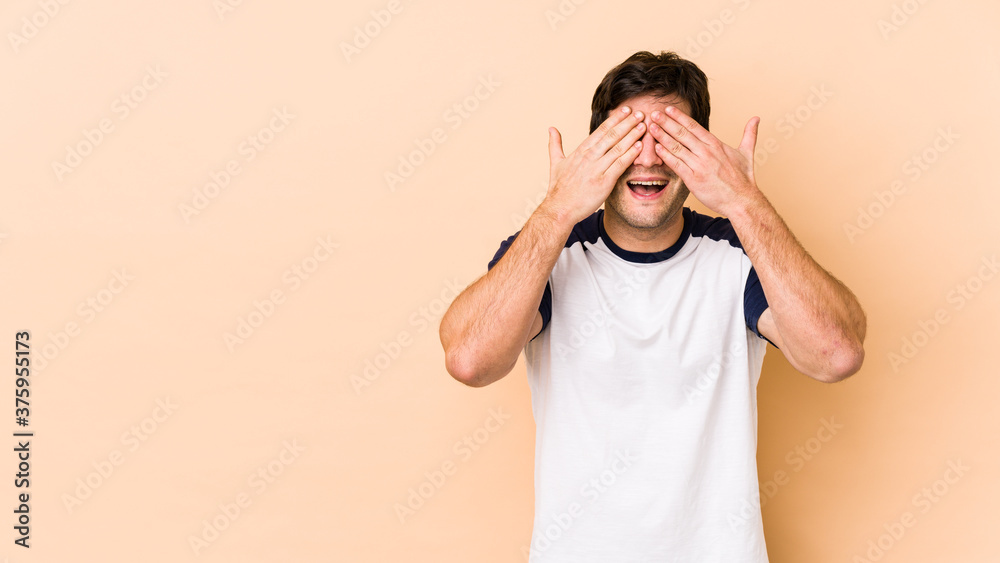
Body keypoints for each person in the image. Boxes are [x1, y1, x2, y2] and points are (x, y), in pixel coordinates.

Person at [438, 50, 866, 562]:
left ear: (703, 152)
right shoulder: (550, 252)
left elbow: (836, 355)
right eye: (627, 138)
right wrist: (558, 208)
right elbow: (470, 361)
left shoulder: (740, 251)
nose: (647, 159)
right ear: (596, 152)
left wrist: (744, 201)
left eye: (670, 139)